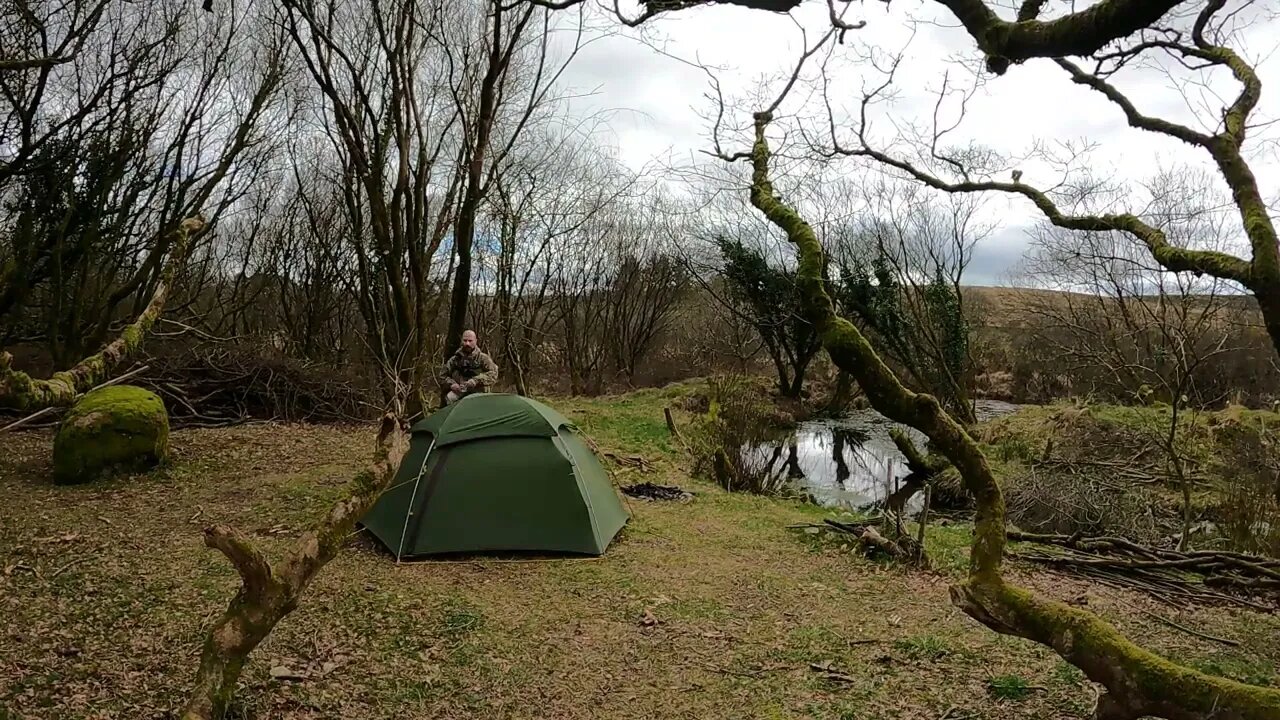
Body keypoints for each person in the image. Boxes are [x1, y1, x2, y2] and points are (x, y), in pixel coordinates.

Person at [440, 329, 499, 405]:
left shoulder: (483, 358)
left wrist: (476, 381)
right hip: (460, 392)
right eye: (465, 340)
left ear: (476, 341)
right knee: (449, 398)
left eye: (470, 341)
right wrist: (451, 384)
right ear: (461, 341)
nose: (467, 343)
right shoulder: (455, 359)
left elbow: (494, 374)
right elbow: (442, 376)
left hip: (479, 393)